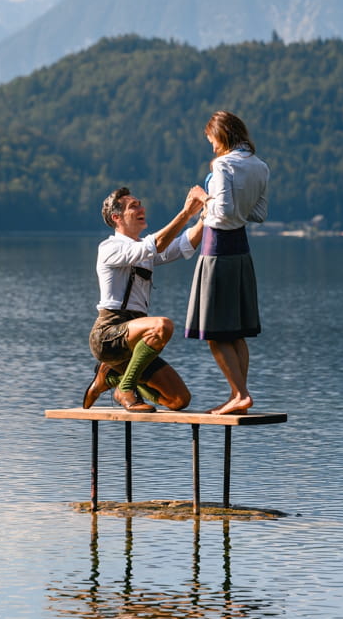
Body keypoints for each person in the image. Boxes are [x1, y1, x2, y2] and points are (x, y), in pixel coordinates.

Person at [84, 185, 206, 413]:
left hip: (134, 338)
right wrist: (186, 213)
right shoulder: (109, 247)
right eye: (133, 206)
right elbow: (157, 244)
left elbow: (182, 245)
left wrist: (206, 216)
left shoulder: (142, 249)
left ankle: (111, 377)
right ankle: (126, 387)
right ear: (116, 217)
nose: (142, 208)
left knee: (179, 400)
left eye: (140, 204)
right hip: (109, 334)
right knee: (162, 326)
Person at [185, 111, 269, 415]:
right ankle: (238, 397)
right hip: (241, 252)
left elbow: (221, 212)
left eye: (211, 140)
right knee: (235, 331)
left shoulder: (222, 165)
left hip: (217, 250)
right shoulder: (260, 166)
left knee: (214, 332)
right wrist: (235, 210)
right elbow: (258, 213)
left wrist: (201, 197)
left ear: (221, 136)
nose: (211, 147)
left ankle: (240, 394)